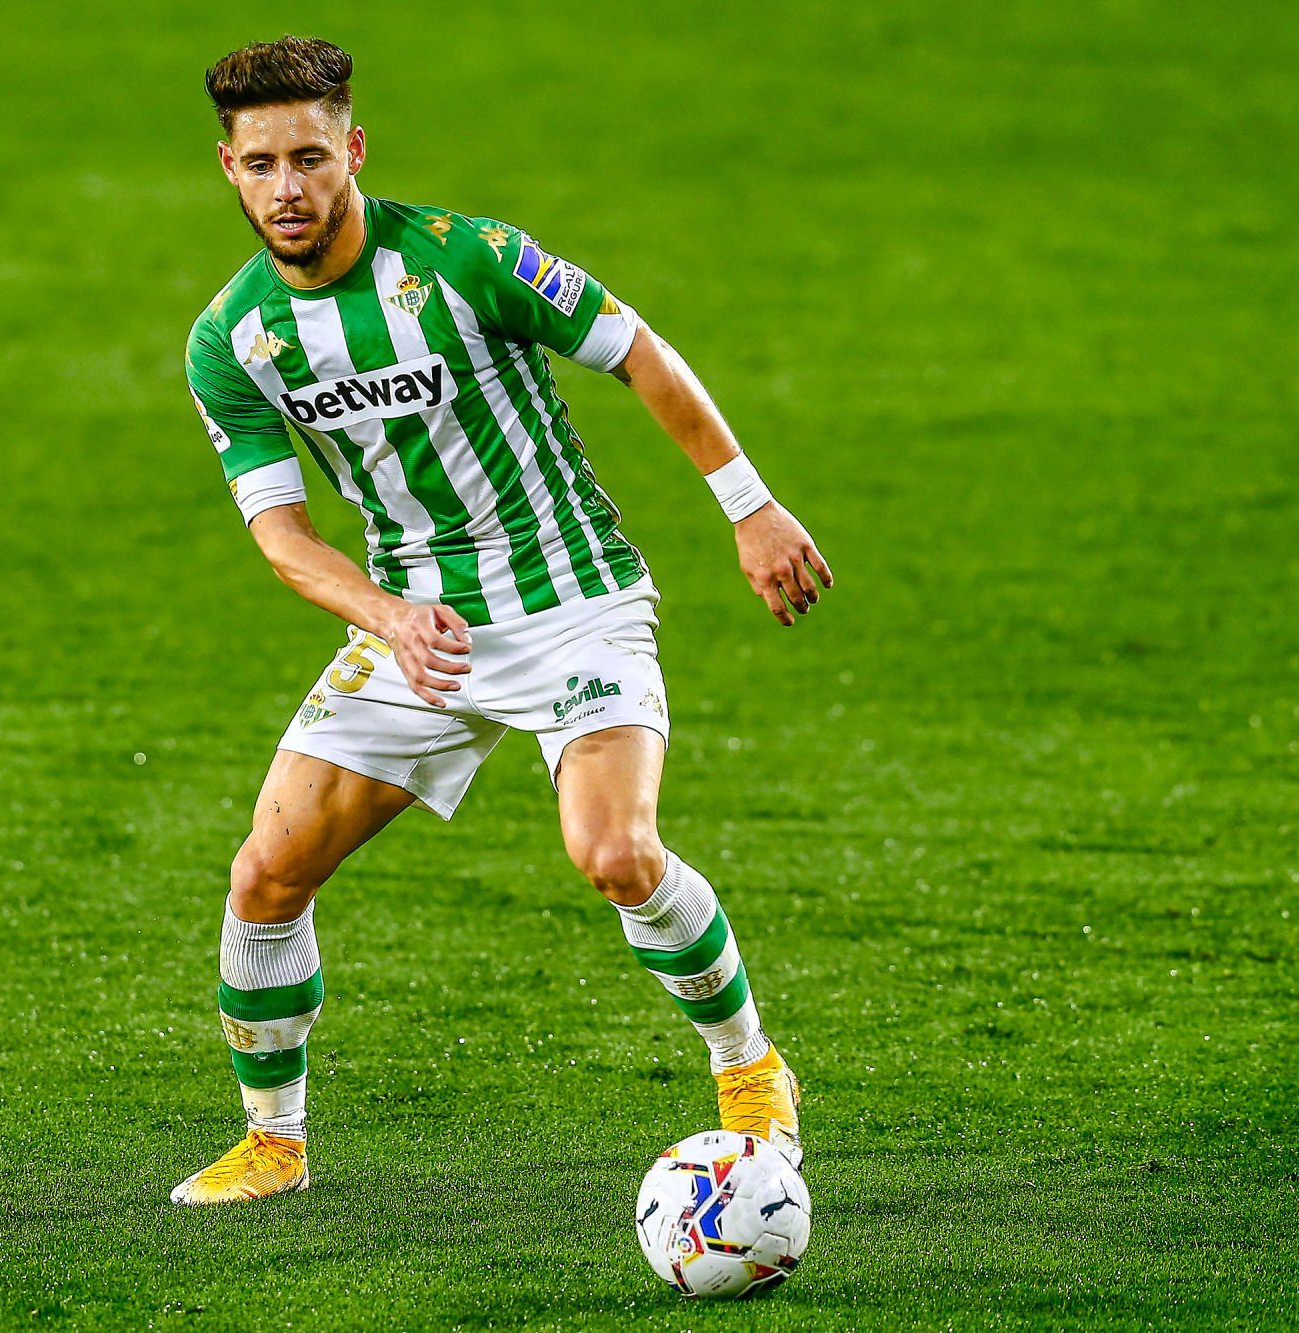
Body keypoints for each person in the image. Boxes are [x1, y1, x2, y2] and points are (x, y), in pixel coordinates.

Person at [174, 35, 832, 1205]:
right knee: (266, 872)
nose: (287, 189)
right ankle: (274, 1144)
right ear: (228, 168)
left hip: (571, 601)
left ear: (353, 150)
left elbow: (635, 351)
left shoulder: (466, 257)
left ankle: (747, 1067)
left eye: (309, 158)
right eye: (261, 164)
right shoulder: (233, 340)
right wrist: (387, 614)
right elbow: (281, 537)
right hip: (417, 626)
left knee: (614, 853)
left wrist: (750, 506)